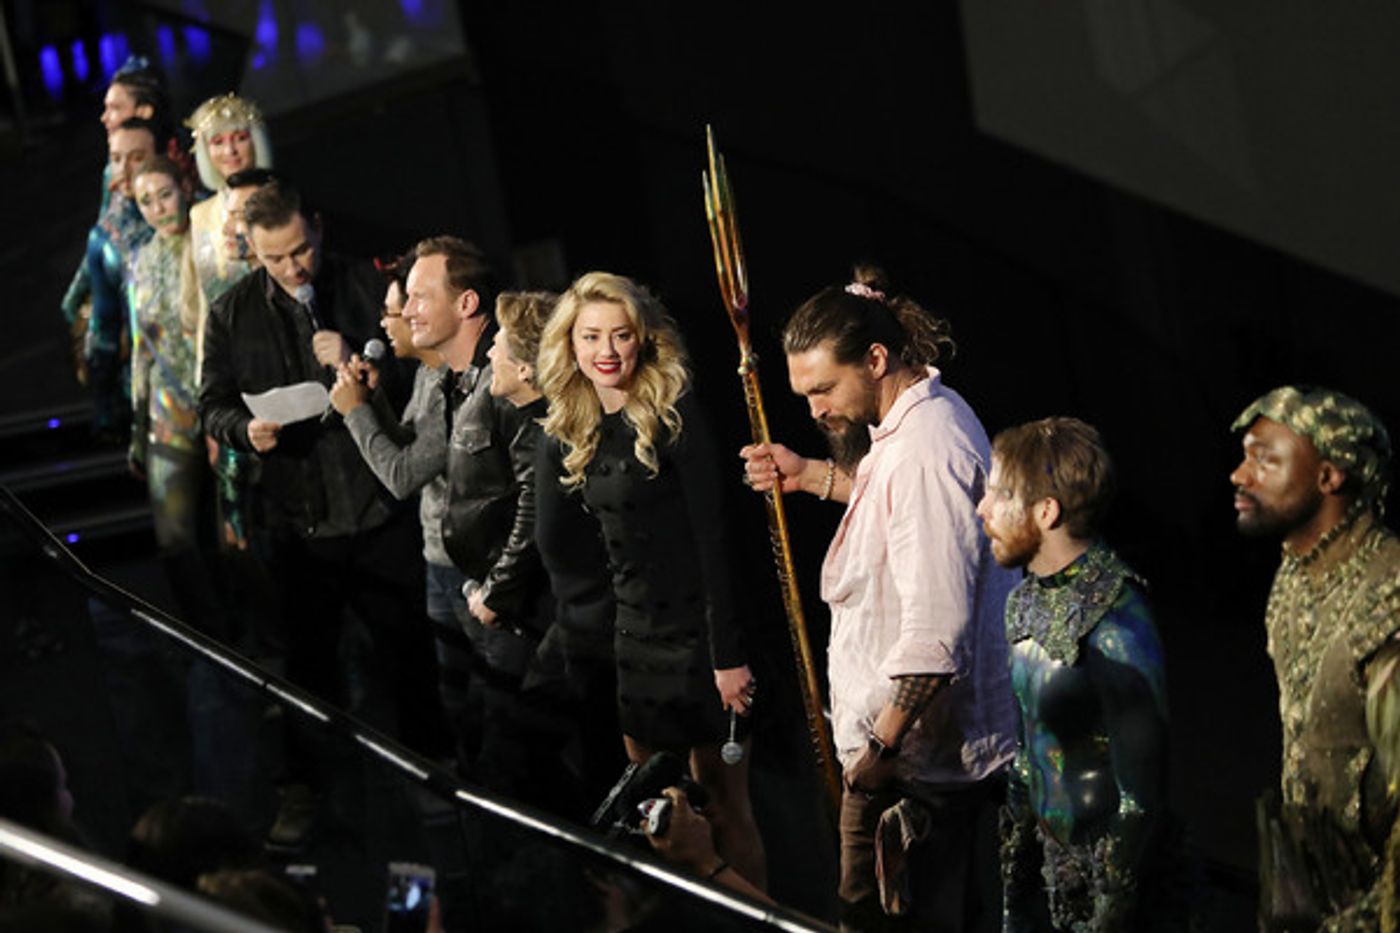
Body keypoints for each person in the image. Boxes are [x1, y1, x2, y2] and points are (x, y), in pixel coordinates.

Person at [740, 267, 1016, 930]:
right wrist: (808, 475)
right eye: (804, 393)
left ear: (875, 357)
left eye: (823, 388)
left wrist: (878, 754)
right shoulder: (905, 427)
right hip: (910, 763)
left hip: (926, 771)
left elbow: (938, 632)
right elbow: (885, 509)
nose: (814, 409)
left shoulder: (928, 447)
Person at [198, 179, 435, 849]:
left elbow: (419, 374)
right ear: (253, 253)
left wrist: (363, 362)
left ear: (318, 231)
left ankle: (437, 790)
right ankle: (322, 800)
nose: (293, 268)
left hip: (377, 510)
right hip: (300, 520)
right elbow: (212, 402)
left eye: (300, 251)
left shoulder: (362, 284)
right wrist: (247, 432)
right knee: (309, 672)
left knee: (409, 659)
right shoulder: (231, 313)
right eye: (275, 258)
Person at [536, 271, 766, 889]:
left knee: (724, 808)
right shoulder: (574, 424)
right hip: (634, 640)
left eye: (620, 335)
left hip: (698, 639)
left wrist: (728, 656)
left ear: (643, 339)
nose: (606, 351)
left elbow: (714, 543)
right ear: (571, 345)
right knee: (658, 812)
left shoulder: (674, 411)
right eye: (591, 337)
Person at [976, 418, 1174, 931]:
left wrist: (1111, 911)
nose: (982, 509)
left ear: (1046, 511)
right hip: (1047, 872)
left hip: (1113, 887)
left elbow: (1144, 800)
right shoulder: (1022, 603)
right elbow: (1026, 757)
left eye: (999, 494)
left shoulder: (1117, 621)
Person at [1229, 386, 1400, 931]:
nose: (1240, 475)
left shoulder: (1388, 595)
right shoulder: (1294, 573)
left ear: (1329, 478)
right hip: (1305, 885)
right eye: (1246, 455)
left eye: (1266, 460)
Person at [388, 236, 542, 793]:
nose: (406, 313)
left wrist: (499, 593)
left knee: (512, 750)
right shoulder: (446, 381)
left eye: (420, 298)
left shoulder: (505, 382)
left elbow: (536, 498)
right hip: (473, 585)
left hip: (515, 606)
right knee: (475, 731)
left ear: (467, 304)